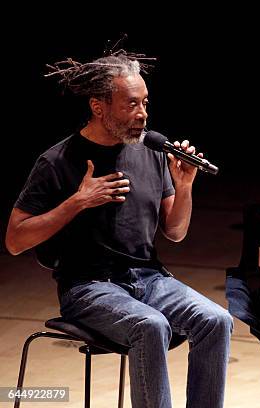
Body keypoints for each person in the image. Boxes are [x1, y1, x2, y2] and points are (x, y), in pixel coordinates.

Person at [5, 50, 233, 408]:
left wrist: (185, 185)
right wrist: (77, 202)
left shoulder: (153, 151)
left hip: (149, 279)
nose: (142, 114)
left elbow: (175, 231)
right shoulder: (57, 161)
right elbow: (15, 240)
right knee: (151, 326)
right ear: (99, 107)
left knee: (217, 320)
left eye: (145, 103)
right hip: (87, 287)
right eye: (130, 105)